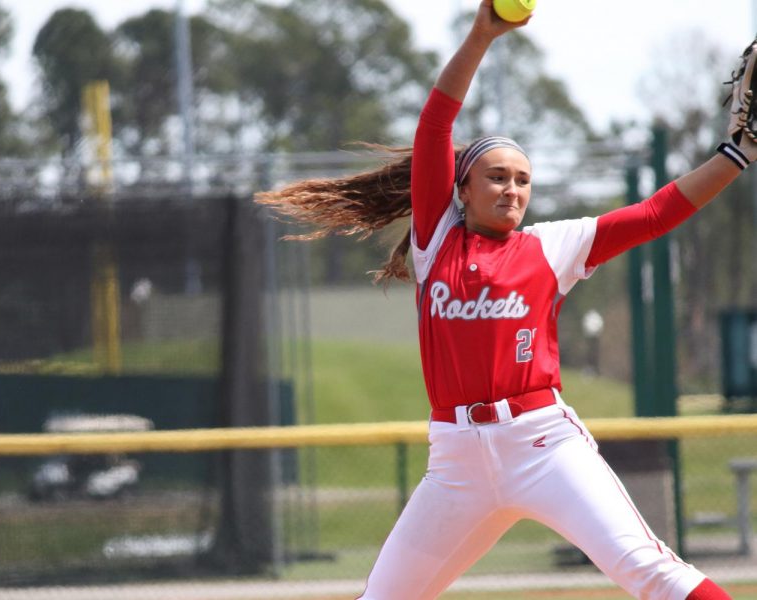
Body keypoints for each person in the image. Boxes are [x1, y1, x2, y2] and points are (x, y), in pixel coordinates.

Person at [256, 2, 752, 598]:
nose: (512, 188)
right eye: (496, 176)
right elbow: (434, 127)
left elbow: (653, 214)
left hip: (542, 445)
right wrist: (481, 35)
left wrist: (736, 156)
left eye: (522, 179)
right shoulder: (436, 240)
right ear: (460, 189)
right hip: (456, 463)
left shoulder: (552, 246)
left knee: (651, 572)